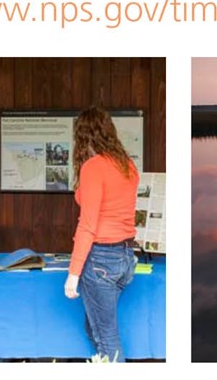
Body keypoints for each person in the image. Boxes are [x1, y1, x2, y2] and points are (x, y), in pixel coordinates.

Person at [63, 107, 140, 361]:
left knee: (107, 336)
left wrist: (73, 275)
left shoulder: (93, 167)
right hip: (125, 258)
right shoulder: (127, 165)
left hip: (100, 261)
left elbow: (88, 225)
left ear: (83, 136)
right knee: (94, 326)